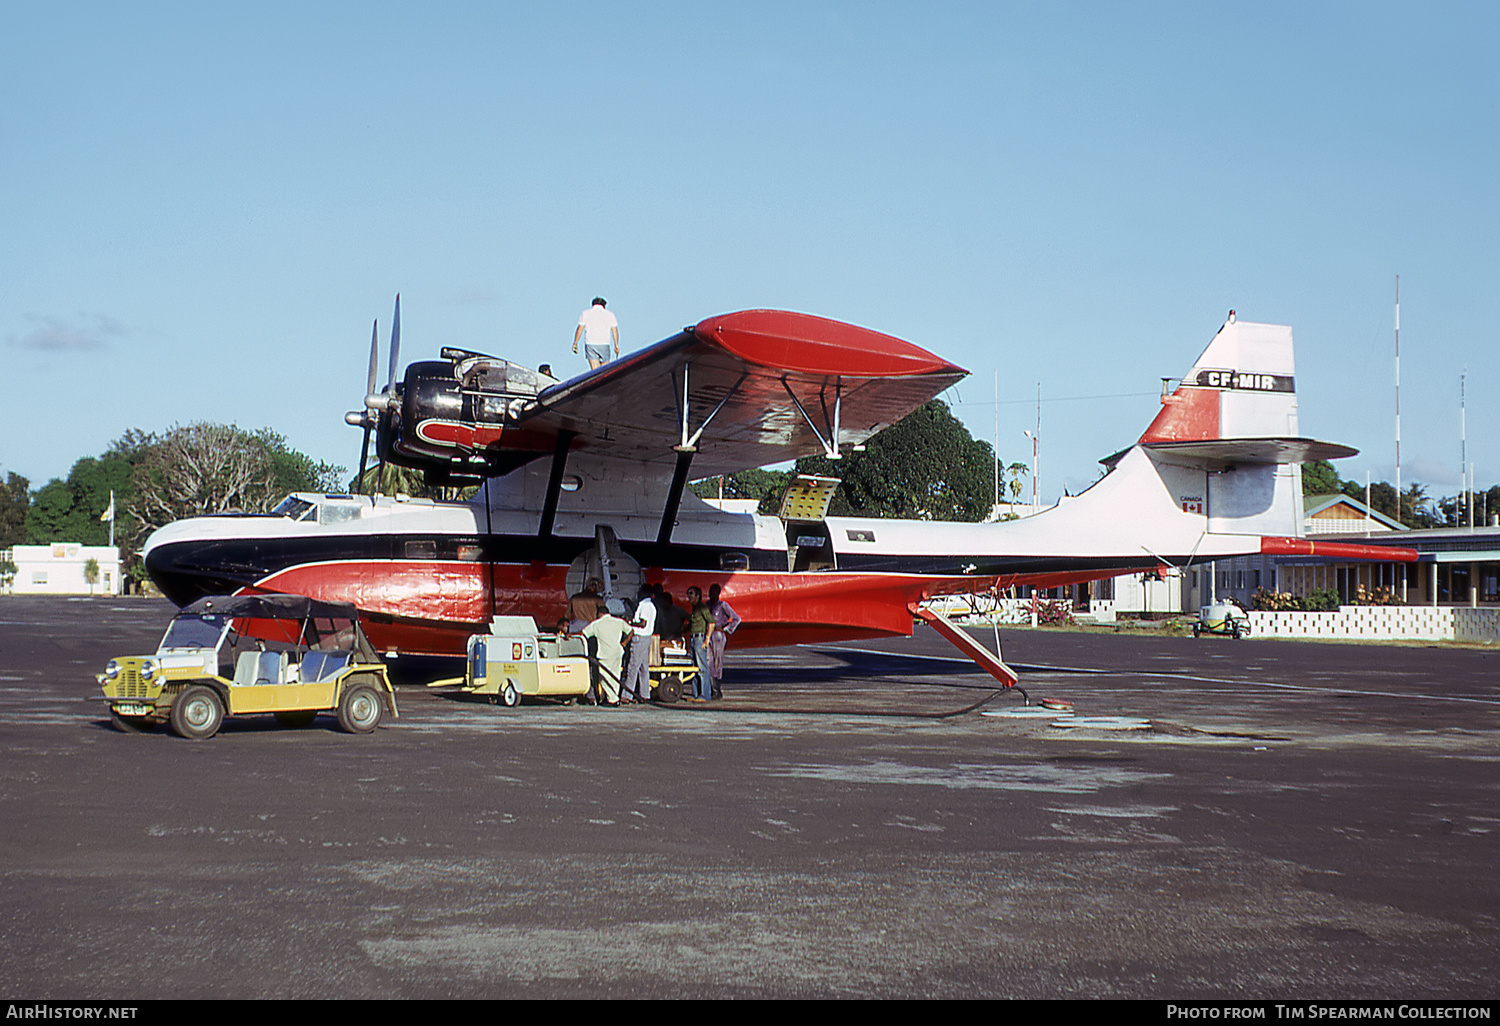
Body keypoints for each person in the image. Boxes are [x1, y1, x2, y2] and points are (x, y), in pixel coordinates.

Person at [581, 610, 631, 707]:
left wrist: (571, 634)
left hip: (605, 654)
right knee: (615, 676)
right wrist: (624, 643)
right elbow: (631, 631)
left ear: (600, 614)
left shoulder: (597, 624)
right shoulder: (618, 621)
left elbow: (584, 633)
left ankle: (613, 699)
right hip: (617, 652)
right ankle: (609, 697)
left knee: (604, 677)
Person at [620, 585, 656, 704]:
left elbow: (643, 623)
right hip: (646, 638)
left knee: (633, 667)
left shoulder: (645, 606)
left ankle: (627, 695)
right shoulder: (651, 605)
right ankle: (645, 695)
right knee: (643, 668)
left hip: (640, 638)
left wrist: (629, 622)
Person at [707, 583, 741, 700]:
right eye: (710, 591)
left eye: (714, 592)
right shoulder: (707, 605)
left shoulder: (723, 605)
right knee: (708, 660)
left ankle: (717, 690)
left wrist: (726, 629)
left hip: (718, 634)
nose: (711, 594)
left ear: (718, 593)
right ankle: (712, 687)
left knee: (718, 660)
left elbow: (736, 618)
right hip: (708, 634)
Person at [684, 585, 714, 702]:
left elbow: (711, 623)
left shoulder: (702, 608)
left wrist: (706, 639)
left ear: (698, 595)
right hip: (693, 639)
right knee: (695, 668)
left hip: (699, 638)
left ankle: (705, 695)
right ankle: (696, 694)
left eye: (691, 594)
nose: (689, 596)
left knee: (702, 668)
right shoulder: (694, 609)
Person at [572, 297, 619, 370]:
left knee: (595, 371)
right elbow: (614, 331)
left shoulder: (586, 313)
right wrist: (616, 345)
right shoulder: (610, 314)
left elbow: (580, 329)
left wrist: (575, 343)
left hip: (590, 343)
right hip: (604, 343)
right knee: (605, 369)